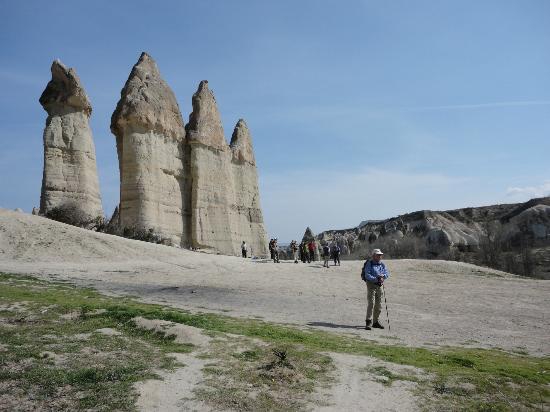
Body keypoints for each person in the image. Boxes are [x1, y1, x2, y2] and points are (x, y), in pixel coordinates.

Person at [361, 248, 389, 330]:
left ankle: (376, 322)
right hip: (371, 285)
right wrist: (377, 278)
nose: (380, 256)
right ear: (373, 256)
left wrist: (383, 277)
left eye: (380, 255)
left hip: (379, 285)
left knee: (379, 304)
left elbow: (386, 273)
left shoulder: (382, 264)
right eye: (378, 255)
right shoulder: (369, 263)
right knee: (371, 303)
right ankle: (368, 322)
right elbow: (367, 275)